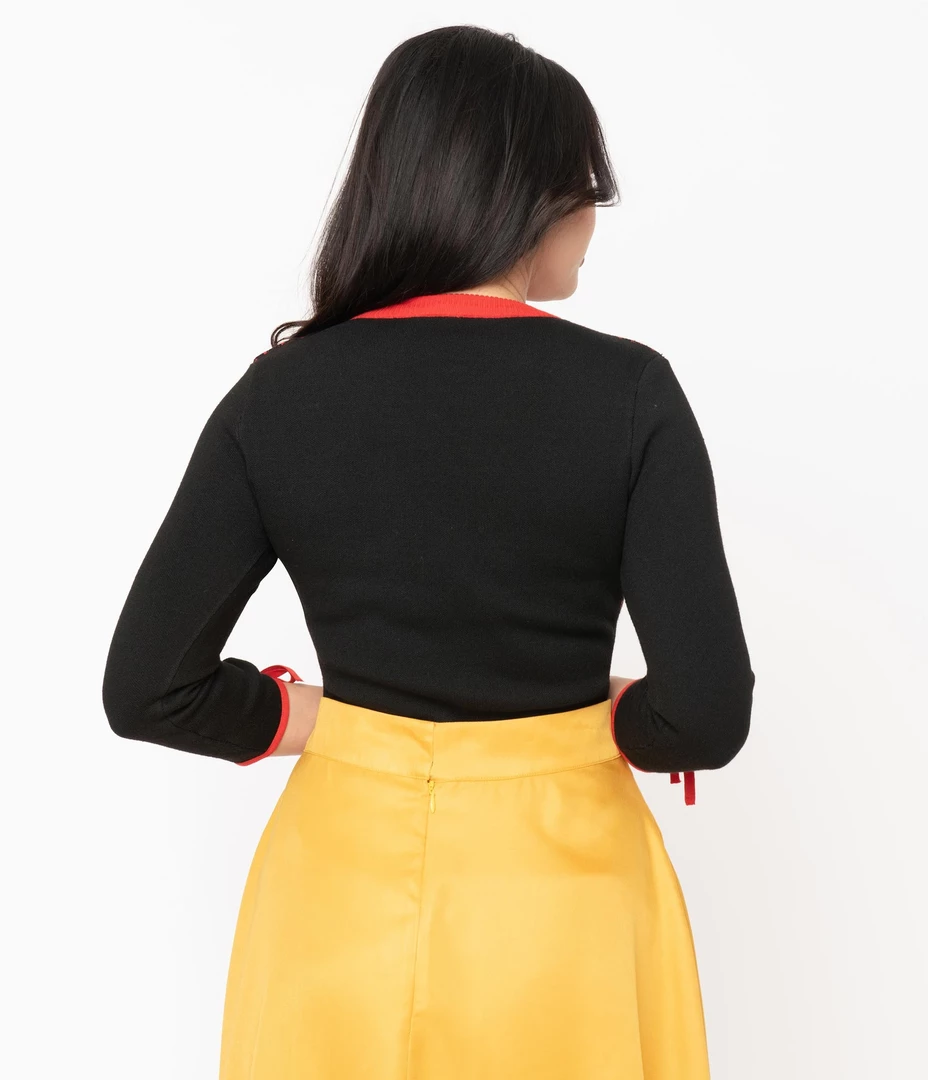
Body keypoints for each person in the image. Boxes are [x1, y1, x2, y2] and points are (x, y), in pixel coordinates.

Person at [101, 23, 755, 1080]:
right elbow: (706, 716)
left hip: (334, 907)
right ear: (528, 196)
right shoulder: (629, 392)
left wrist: (308, 717)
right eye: (587, 188)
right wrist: (603, 717)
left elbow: (148, 687)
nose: (593, 220)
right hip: (564, 919)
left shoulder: (280, 397)